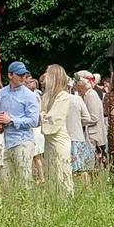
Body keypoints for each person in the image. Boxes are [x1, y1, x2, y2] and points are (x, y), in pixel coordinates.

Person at [0, 61, 40, 186]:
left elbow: (34, 121)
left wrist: (12, 120)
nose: (23, 77)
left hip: (23, 141)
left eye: (24, 75)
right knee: (5, 183)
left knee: (24, 181)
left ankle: (28, 199)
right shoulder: (1, 93)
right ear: (10, 75)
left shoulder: (29, 95)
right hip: (5, 141)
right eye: (19, 75)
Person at [40, 65, 76, 193]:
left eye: (47, 73)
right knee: (51, 172)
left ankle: (66, 200)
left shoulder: (63, 96)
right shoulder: (47, 96)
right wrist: (43, 115)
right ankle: (54, 199)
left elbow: (53, 119)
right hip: (49, 140)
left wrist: (42, 115)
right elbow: (42, 114)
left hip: (59, 139)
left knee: (61, 172)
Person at [76, 72, 107, 165]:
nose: (76, 87)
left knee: (95, 163)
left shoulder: (91, 95)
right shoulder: (85, 95)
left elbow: (94, 118)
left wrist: (79, 121)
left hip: (94, 135)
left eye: (77, 85)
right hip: (90, 134)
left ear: (82, 85)